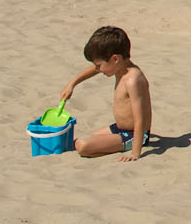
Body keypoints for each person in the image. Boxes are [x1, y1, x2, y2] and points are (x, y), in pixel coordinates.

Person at [60, 26, 152, 161]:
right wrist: (72, 84)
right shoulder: (119, 67)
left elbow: (140, 120)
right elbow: (93, 69)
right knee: (78, 142)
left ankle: (112, 148)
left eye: (99, 65)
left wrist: (135, 153)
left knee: (83, 146)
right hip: (118, 128)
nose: (97, 70)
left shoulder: (133, 80)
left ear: (115, 59)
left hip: (134, 135)